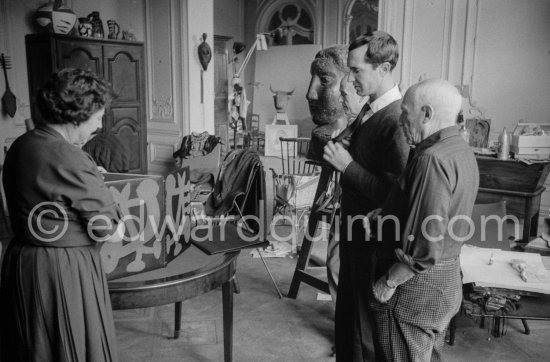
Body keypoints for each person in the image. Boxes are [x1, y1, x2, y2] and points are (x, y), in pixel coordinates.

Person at [1, 68, 125, 361]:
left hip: (23, 262)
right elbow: (110, 230)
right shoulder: (70, 156)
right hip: (62, 269)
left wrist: (88, 179)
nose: (99, 125)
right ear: (76, 116)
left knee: (34, 346)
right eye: (97, 117)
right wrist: (98, 184)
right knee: (70, 345)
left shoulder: (21, 145)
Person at [368, 79, 479, 361]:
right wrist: (391, 210)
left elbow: (425, 241)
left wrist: (390, 282)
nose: (401, 120)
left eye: (405, 112)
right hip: (446, 280)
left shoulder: (431, 158)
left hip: (415, 288)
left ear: (427, 114)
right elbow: (443, 211)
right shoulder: (461, 149)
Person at [323, 31, 409, 361]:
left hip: (372, 243)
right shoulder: (372, 109)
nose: (351, 78)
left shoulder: (396, 121)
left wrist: (347, 167)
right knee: (350, 323)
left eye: (357, 70)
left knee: (366, 333)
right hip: (354, 234)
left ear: (384, 68)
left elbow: (395, 196)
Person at [305, 44, 365, 304]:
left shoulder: (373, 123)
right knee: (336, 258)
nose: (310, 92)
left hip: (364, 211)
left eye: (324, 80)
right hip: (348, 208)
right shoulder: (329, 135)